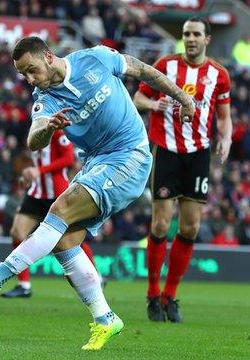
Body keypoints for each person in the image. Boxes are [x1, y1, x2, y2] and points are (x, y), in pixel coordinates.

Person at [0, 36, 195, 350]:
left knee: (60, 209)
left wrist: (183, 98)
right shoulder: (45, 98)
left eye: (32, 70)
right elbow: (33, 140)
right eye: (23, 75)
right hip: (96, 163)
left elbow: (142, 70)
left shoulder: (95, 58)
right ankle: (105, 318)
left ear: (49, 57)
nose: (29, 79)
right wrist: (49, 128)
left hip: (130, 155)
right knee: (64, 242)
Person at [133, 17, 232, 323]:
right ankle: (152, 293)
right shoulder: (165, 65)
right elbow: (138, 98)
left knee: (189, 228)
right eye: (186, 34)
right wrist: (154, 106)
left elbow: (225, 116)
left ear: (207, 39)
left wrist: (225, 137)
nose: (190, 38)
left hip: (199, 154)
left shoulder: (219, 75)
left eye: (196, 34)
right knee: (161, 225)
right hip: (166, 152)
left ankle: (169, 296)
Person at [0, 131, 103, 298]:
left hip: (57, 194)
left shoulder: (57, 131)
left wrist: (39, 171)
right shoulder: (35, 129)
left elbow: (69, 158)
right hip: (36, 193)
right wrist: (29, 176)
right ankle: (24, 285)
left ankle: (96, 276)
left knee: (70, 239)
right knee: (17, 232)